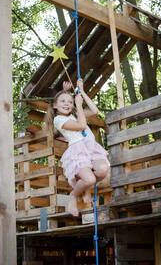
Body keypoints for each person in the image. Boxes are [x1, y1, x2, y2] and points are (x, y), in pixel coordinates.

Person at [45, 79, 110, 217]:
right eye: (62, 102)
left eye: (70, 102)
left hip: (91, 148)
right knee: (90, 179)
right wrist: (78, 105)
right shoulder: (59, 120)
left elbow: (94, 110)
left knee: (103, 170)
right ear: (55, 106)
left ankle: (86, 189)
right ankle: (73, 196)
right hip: (79, 151)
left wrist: (82, 91)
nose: (67, 104)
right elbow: (81, 125)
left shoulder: (75, 114)